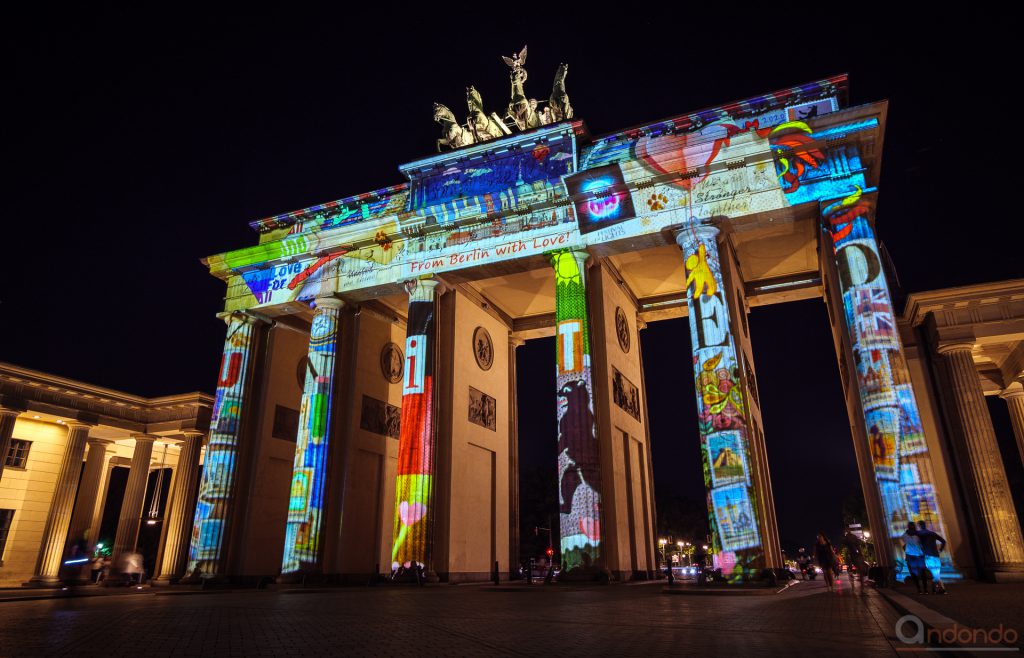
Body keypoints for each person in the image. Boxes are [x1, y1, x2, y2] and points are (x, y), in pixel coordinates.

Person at [916, 520, 947, 594]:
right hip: (936, 555)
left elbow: (917, 545)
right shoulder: (932, 533)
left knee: (935, 573)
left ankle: (940, 588)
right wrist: (940, 550)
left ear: (919, 526)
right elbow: (943, 541)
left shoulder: (919, 534)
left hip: (927, 556)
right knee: (936, 573)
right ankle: (937, 589)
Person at [902, 522, 926, 594]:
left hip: (911, 556)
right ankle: (925, 589)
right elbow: (922, 544)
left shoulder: (905, 535)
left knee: (915, 573)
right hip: (919, 555)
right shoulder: (918, 534)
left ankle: (919, 589)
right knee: (922, 572)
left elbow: (904, 545)